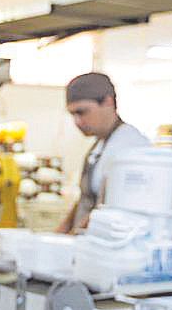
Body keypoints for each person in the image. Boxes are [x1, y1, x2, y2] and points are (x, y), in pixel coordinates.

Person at [56, 71, 150, 233]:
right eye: (72, 114)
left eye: (82, 112)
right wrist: (60, 234)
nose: (77, 122)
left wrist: (73, 239)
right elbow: (86, 199)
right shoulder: (101, 143)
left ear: (108, 102)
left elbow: (107, 208)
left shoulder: (129, 147)